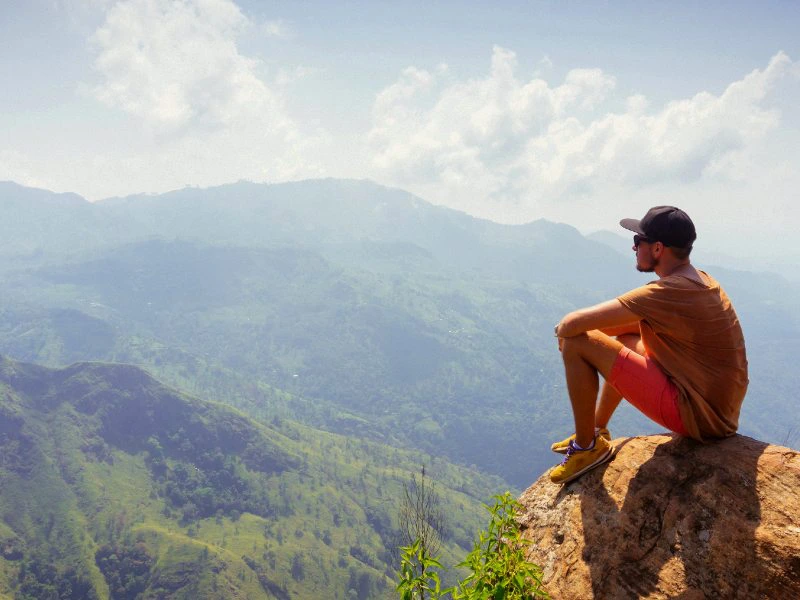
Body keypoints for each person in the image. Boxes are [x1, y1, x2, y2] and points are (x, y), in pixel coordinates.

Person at [549, 206, 748, 484]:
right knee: (627, 339)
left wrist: (569, 336)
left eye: (637, 242)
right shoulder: (699, 281)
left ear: (657, 248)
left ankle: (587, 447)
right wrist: (588, 335)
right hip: (716, 410)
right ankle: (597, 429)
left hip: (697, 416)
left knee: (575, 342)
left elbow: (571, 324)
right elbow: (625, 327)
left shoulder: (667, 292)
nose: (633, 248)